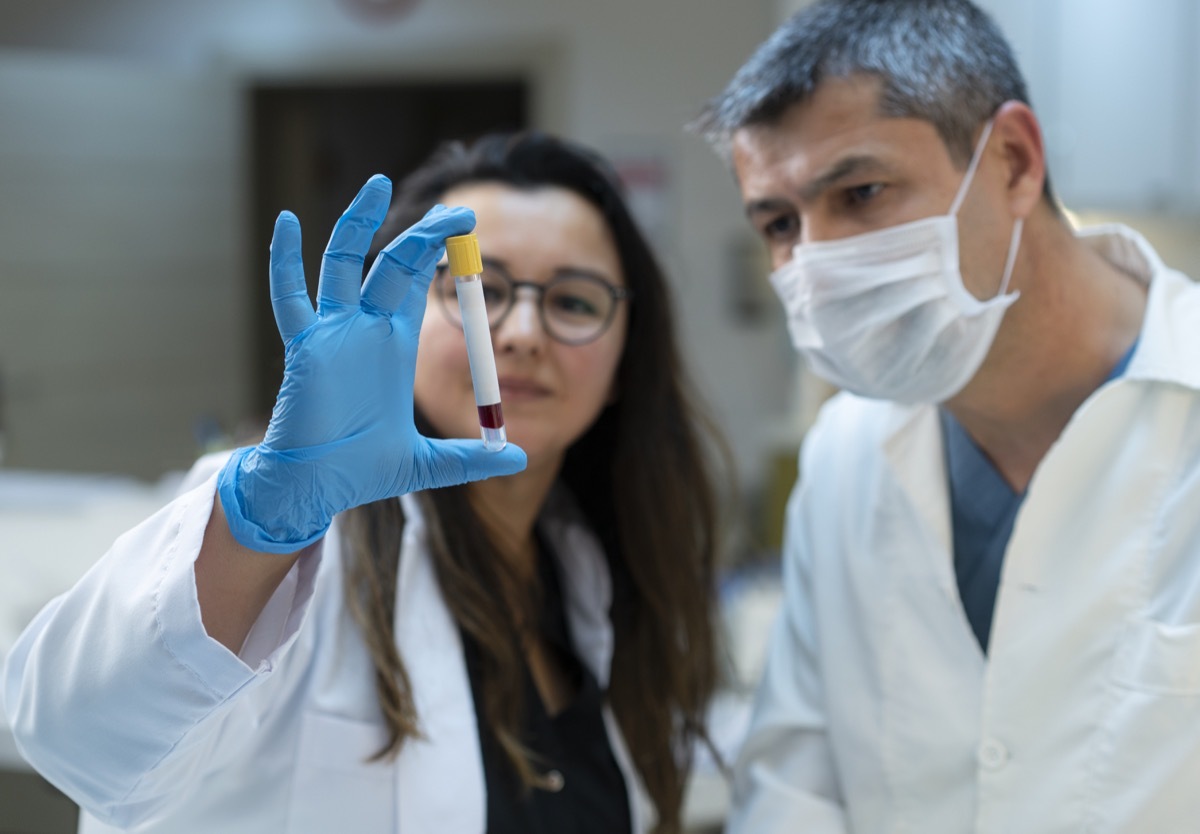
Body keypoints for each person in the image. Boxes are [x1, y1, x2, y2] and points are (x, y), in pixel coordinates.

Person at [3, 131, 726, 834]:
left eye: (574, 301)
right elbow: (76, 739)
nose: (523, 333)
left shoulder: (605, 576)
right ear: (399, 318)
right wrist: (265, 517)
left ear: (626, 361)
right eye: (480, 288)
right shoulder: (295, 552)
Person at [690, 0, 1200, 831]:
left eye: (861, 193)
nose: (816, 263)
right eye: (780, 224)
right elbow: (795, 790)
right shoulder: (846, 457)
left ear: (1012, 160)